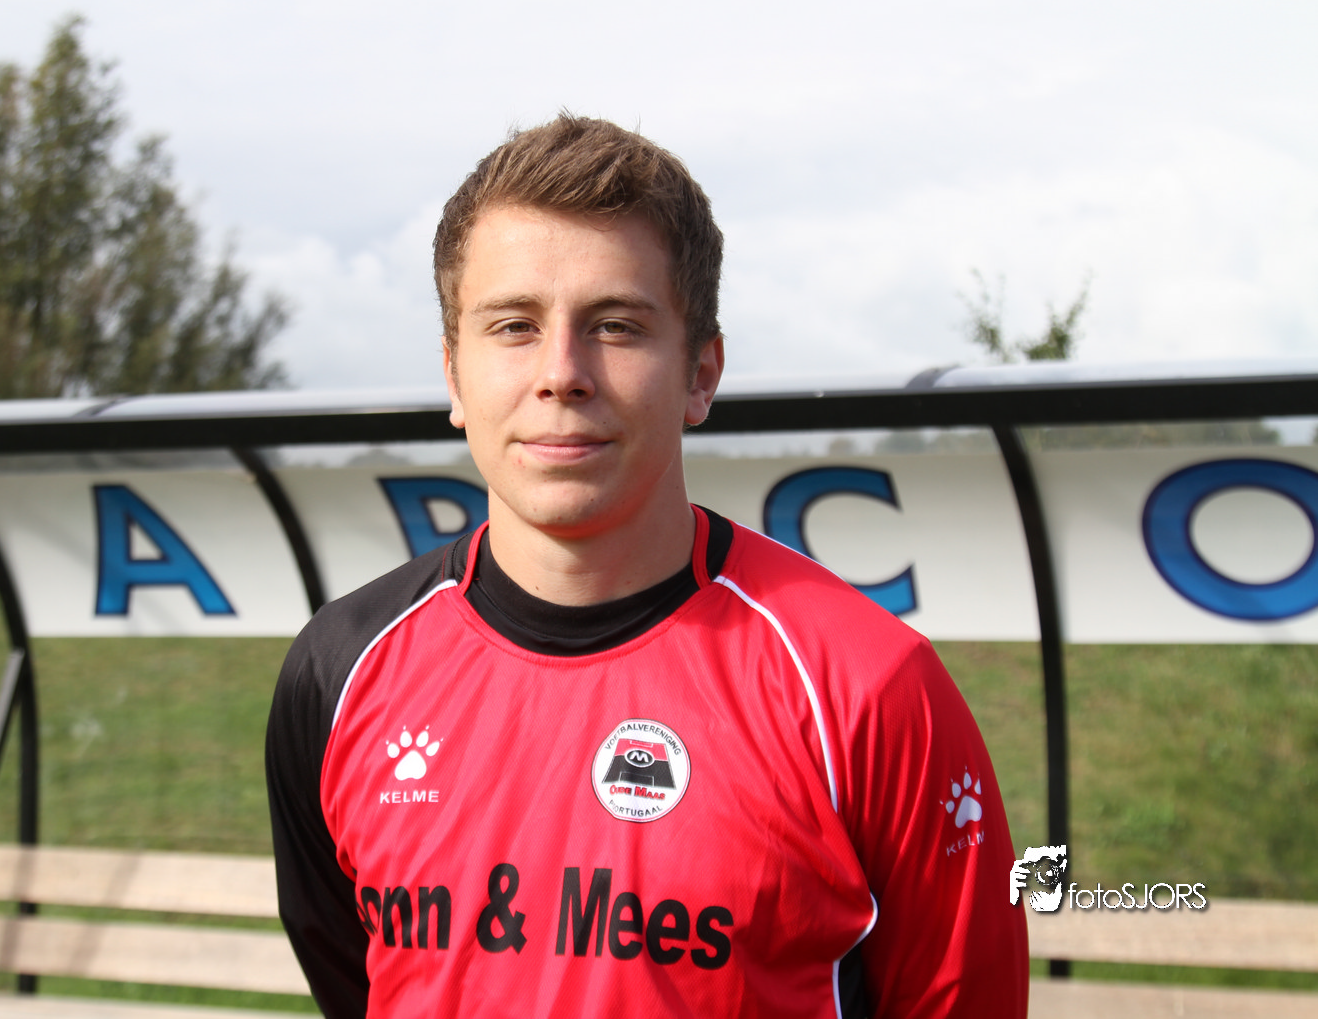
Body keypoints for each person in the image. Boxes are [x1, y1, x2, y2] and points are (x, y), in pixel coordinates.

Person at [266, 114, 1028, 1017]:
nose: (561, 373)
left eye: (616, 326)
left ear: (700, 372)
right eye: (513, 325)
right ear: (453, 375)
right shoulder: (339, 671)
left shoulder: (867, 685)